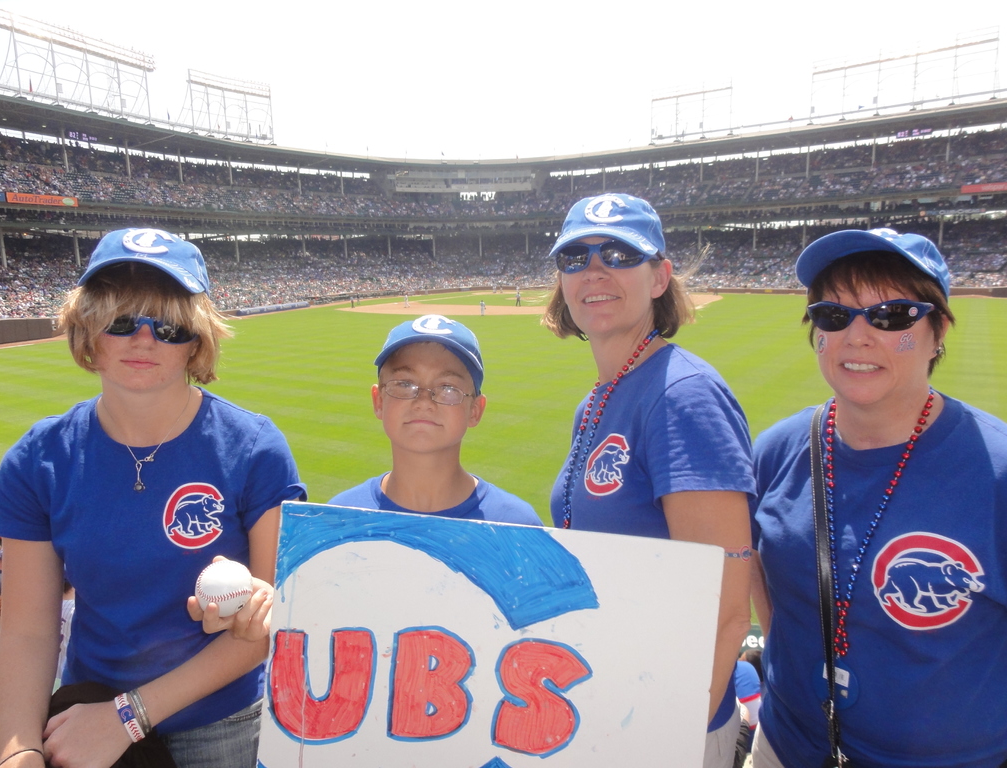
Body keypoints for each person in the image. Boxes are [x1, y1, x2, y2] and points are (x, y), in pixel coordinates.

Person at [0, 228, 306, 768]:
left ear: (197, 341)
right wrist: (19, 751)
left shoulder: (254, 448)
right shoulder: (38, 459)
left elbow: (270, 619)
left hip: (221, 727)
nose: (144, 339)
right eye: (120, 321)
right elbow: (28, 630)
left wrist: (128, 716)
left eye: (169, 326)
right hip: (86, 714)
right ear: (88, 330)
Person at [750, 228, 1007, 767]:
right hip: (785, 746)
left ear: (938, 331)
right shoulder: (775, 450)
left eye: (891, 316)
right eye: (833, 315)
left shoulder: (996, 470)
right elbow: (758, 574)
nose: (857, 337)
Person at [542, 193, 755, 768]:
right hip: (603, 700)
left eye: (619, 254)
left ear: (660, 278)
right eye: (575, 258)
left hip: (663, 725)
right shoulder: (598, 400)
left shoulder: (682, 396)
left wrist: (661, 740)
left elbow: (727, 611)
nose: (594, 271)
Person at [329, 314, 541, 526]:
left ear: (475, 410)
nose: (424, 402)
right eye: (404, 384)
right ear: (379, 401)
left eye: (448, 388)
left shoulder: (517, 525)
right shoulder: (337, 519)